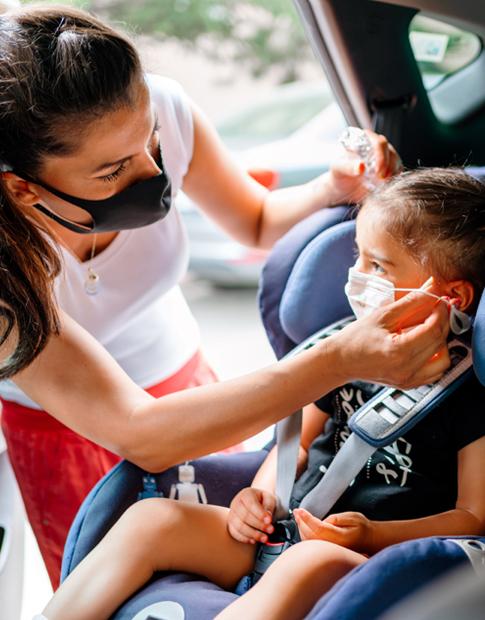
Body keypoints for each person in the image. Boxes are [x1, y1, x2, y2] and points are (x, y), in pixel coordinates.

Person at [0, 4, 447, 588]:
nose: (151, 171)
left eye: (152, 142)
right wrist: (341, 358)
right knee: (100, 573)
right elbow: (141, 432)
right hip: (67, 424)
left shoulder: (160, 108)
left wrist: (330, 188)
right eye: (112, 172)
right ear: (21, 188)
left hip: (186, 381)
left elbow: (257, 221)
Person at [38, 167, 485, 620]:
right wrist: (259, 494)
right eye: (358, 257)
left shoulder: (469, 393)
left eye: (377, 266)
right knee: (152, 517)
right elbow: (296, 444)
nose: (355, 276)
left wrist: (370, 536)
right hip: (286, 529)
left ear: (453, 297)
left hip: (370, 562)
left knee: (309, 560)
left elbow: (473, 517)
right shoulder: (349, 351)